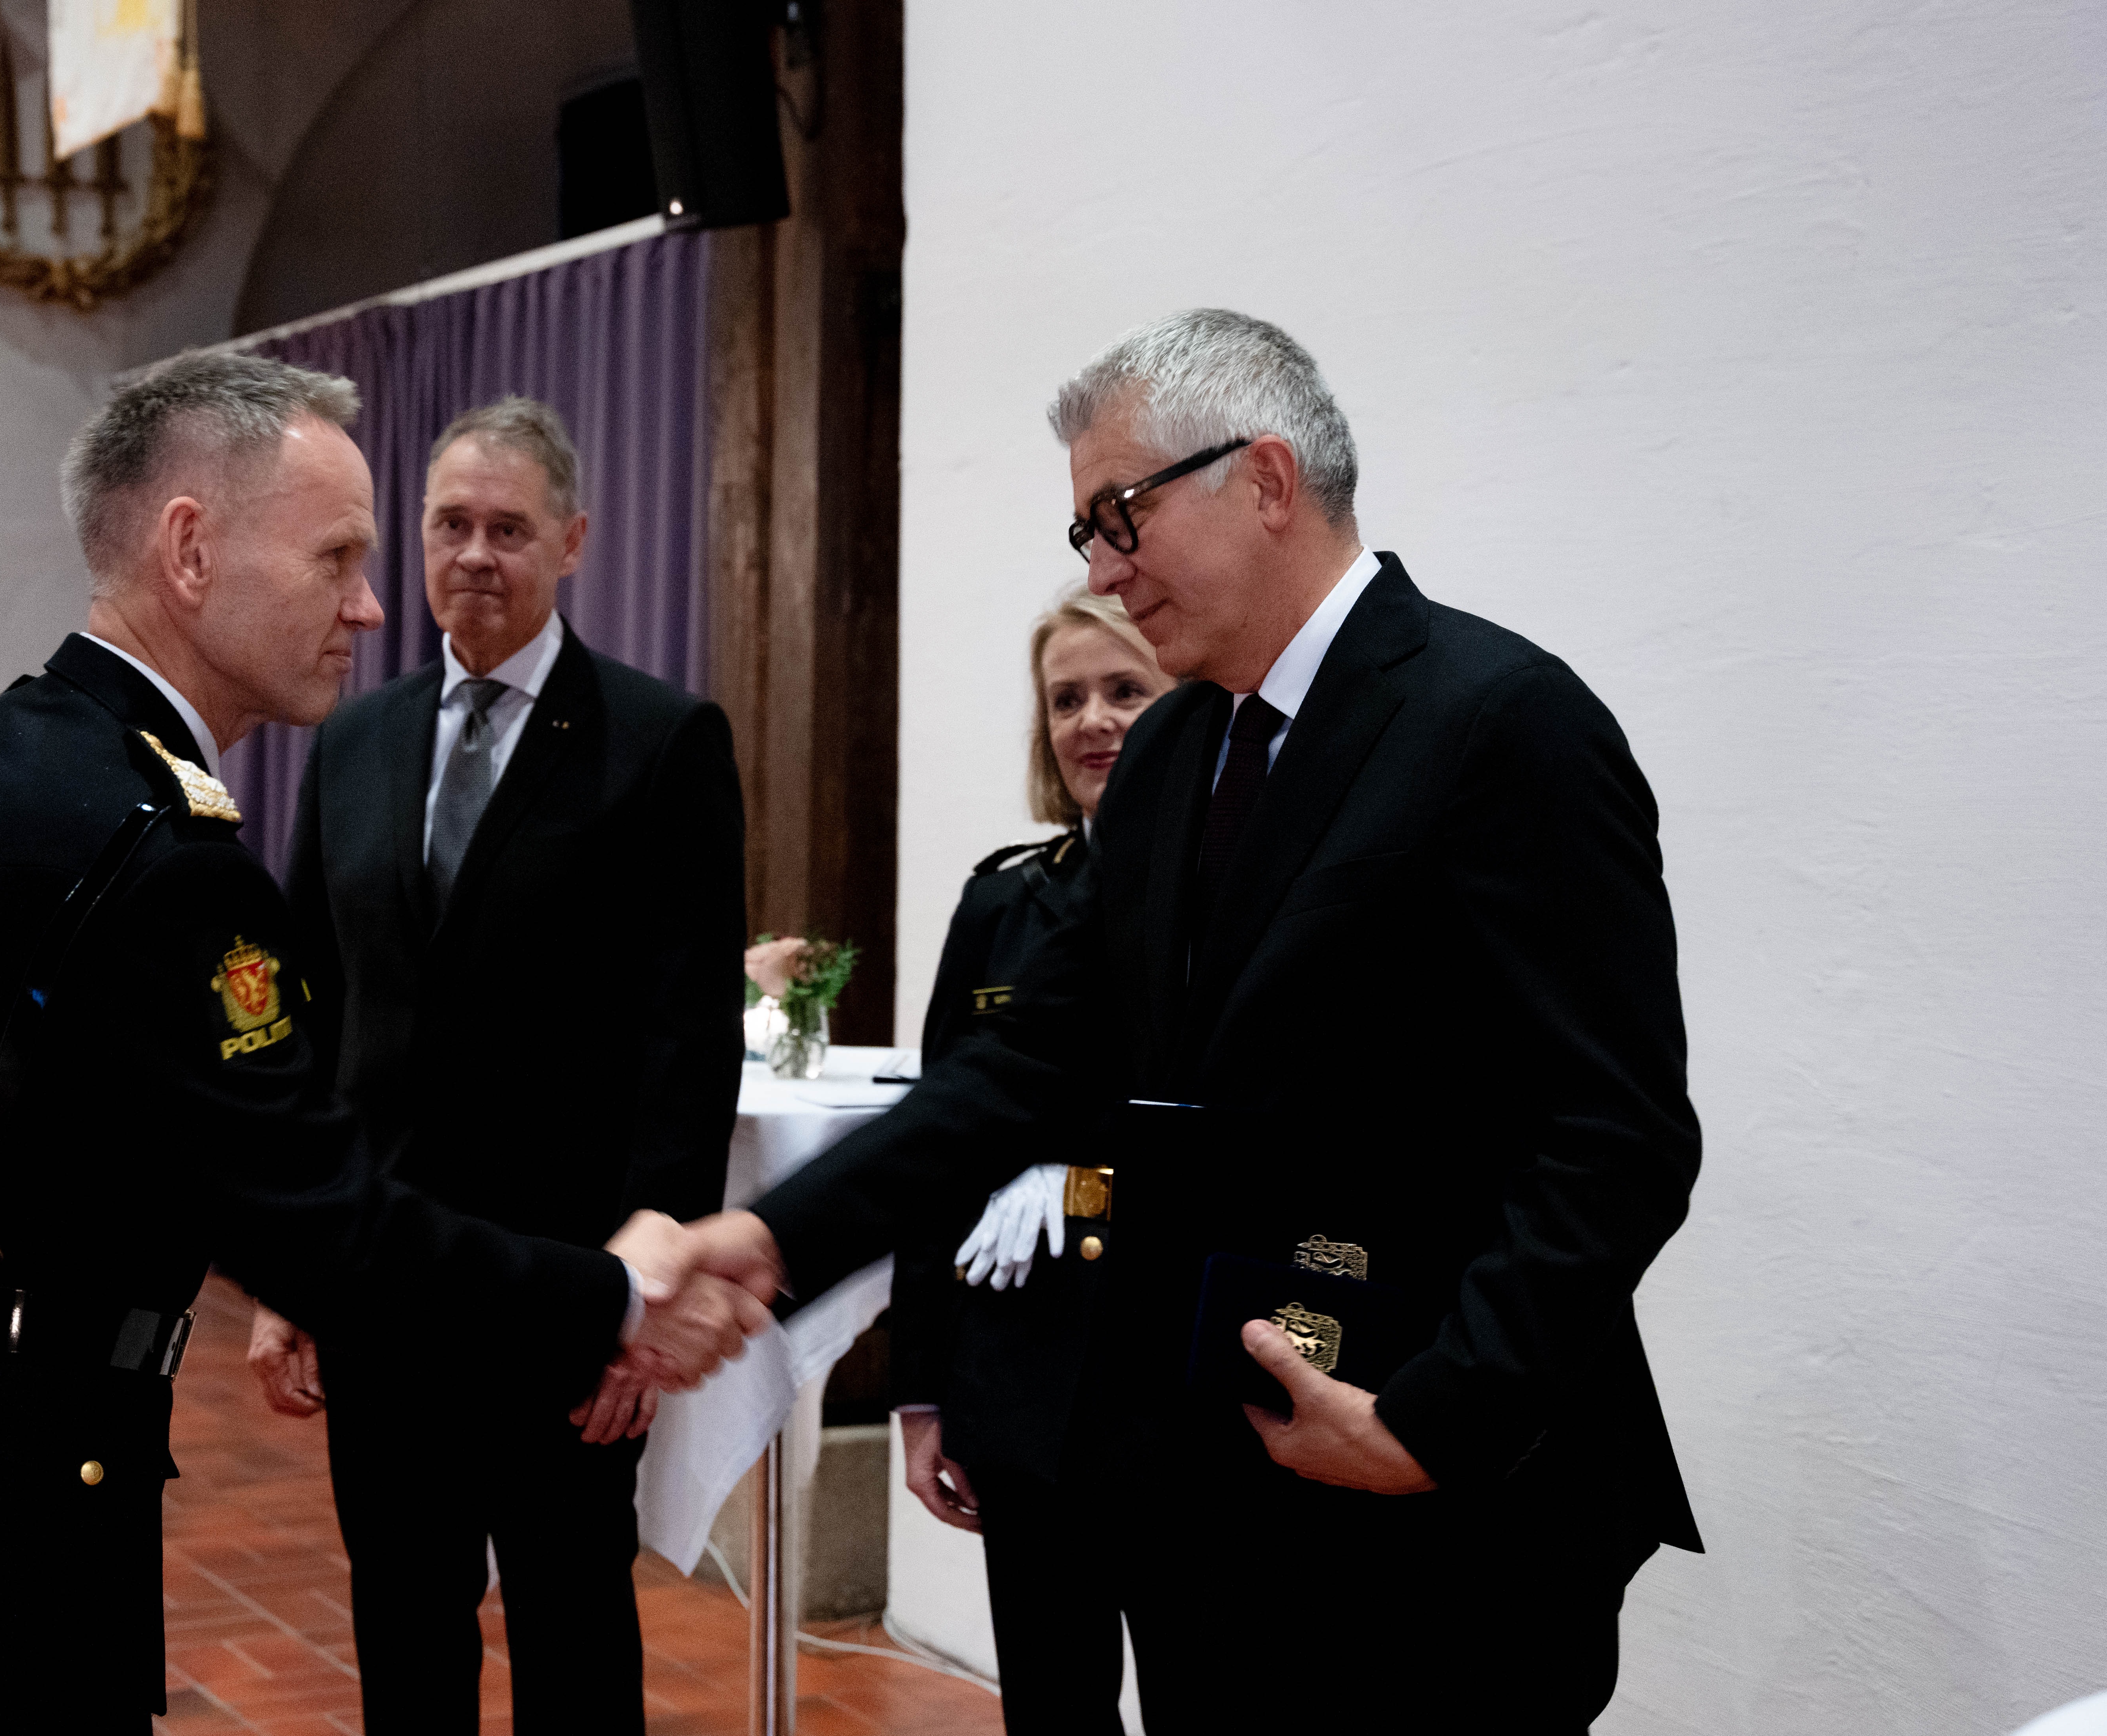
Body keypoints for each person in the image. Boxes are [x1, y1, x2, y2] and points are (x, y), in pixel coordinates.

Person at [0, 354, 767, 1736]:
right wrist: (615, 1298)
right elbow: (318, 1214)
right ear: (194, 550)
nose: (371, 601)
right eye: (336, 553)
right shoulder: (152, 849)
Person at [683, 309, 1703, 1732]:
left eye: (1120, 515)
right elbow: (1036, 1063)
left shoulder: (1503, 722)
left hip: (1445, 1513)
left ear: (1266, 479)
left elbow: (1619, 1136)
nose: (1100, 565)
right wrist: (779, 1235)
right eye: (1084, 531)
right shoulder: (1176, 752)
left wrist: (1430, 1426)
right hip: (1214, 1486)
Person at [242, 395, 745, 1734]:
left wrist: (648, 1301)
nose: (477, 553)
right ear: (416, 538)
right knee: (404, 1622)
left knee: (574, 1628)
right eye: (451, 524)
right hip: (384, 1280)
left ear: (572, 540)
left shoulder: (659, 739)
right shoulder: (352, 736)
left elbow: (689, 1042)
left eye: (510, 528)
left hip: (568, 1289)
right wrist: (294, 1271)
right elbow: (310, 1004)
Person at [890, 586, 1170, 1734]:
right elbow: (936, 1150)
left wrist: (1088, 1181)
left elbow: (1263, 1140)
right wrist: (919, 1392)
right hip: (1024, 1373)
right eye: (1067, 698)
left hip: (1173, 1380)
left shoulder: (1239, 896)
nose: (1093, 720)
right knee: (1052, 1704)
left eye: (1125, 690)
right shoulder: (1004, 901)